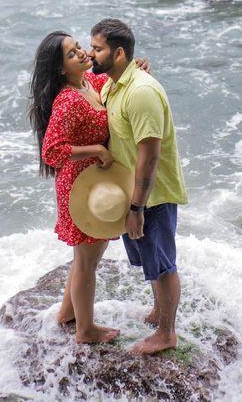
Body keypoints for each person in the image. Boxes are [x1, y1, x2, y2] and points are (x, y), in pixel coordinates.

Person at [28, 31, 151, 345]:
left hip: (96, 182)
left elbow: (115, 85)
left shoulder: (91, 84)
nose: (82, 53)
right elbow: (51, 151)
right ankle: (85, 330)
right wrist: (96, 149)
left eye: (79, 47)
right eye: (72, 54)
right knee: (87, 259)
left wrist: (137, 69)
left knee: (86, 257)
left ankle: (68, 313)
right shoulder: (68, 101)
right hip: (81, 187)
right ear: (61, 69)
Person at [88, 18, 189, 355]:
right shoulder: (112, 84)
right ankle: (159, 312)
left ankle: (166, 333)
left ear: (118, 53)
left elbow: (149, 157)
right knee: (149, 258)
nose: (91, 54)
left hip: (151, 194)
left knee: (162, 264)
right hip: (133, 191)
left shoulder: (140, 92)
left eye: (97, 48)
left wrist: (137, 208)